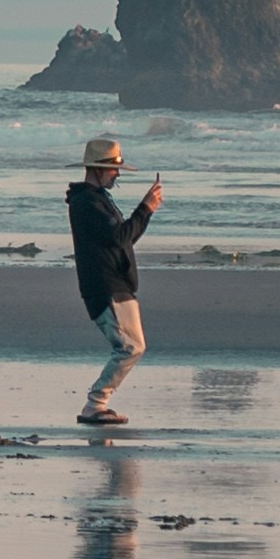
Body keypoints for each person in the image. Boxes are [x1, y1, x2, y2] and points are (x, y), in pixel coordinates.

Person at [66, 133, 163, 426]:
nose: (117, 174)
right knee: (130, 347)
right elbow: (120, 237)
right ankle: (95, 404)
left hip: (116, 284)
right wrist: (146, 208)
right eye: (112, 169)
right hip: (106, 286)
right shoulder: (86, 203)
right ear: (96, 169)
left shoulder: (96, 200)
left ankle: (97, 404)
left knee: (131, 346)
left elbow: (123, 238)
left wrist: (147, 211)